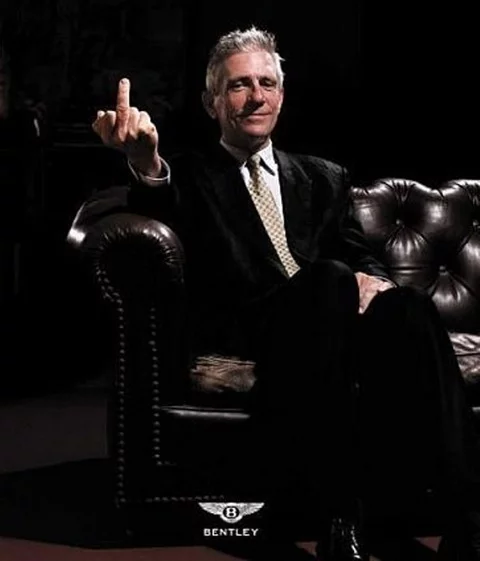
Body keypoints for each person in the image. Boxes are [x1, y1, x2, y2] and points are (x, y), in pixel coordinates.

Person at [91, 26, 480, 560]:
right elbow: (157, 213)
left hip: (337, 323)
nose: (256, 97)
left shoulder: (323, 177)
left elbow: (359, 254)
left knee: (407, 304)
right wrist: (145, 164)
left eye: (266, 83)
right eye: (239, 85)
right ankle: (339, 516)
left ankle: (467, 519)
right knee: (329, 279)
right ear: (211, 102)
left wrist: (376, 282)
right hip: (260, 330)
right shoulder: (193, 176)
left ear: (281, 95)